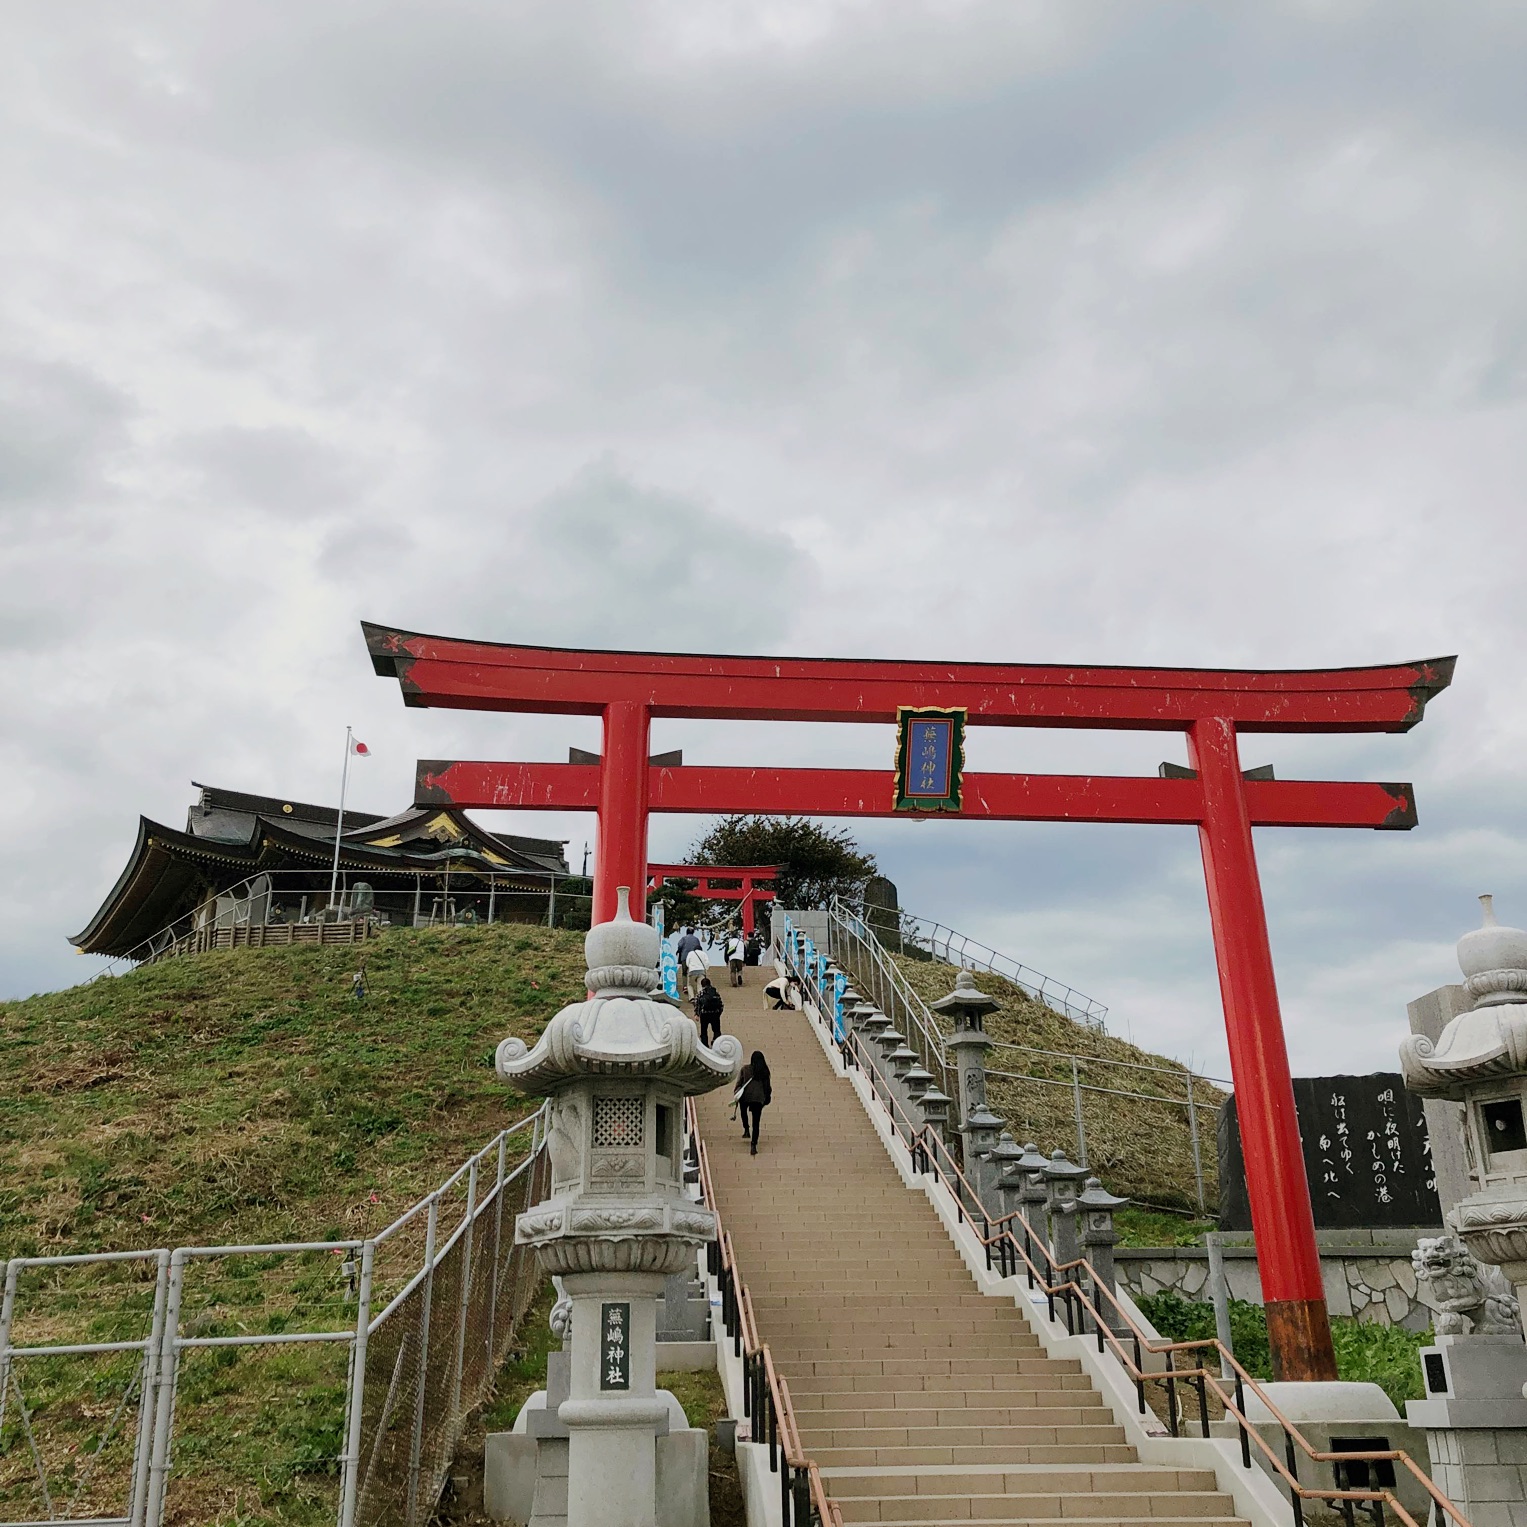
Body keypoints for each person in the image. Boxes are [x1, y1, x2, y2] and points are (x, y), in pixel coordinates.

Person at [736, 1051, 772, 1155]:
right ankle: (753, 1145)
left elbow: (739, 1083)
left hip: (745, 1096)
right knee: (756, 1123)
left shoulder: (745, 1069)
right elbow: (767, 1087)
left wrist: (736, 1093)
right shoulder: (765, 1071)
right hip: (758, 1098)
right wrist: (766, 1098)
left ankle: (746, 1129)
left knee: (743, 1112)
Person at [695, 976, 724, 1046]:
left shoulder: (701, 993)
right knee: (716, 1030)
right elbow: (721, 1004)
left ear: (702, 985)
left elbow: (697, 1004)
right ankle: (716, 1043)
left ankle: (705, 1045)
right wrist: (718, 1013)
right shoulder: (715, 993)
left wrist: (697, 1014)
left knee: (704, 1031)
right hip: (715, 1014)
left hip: (704, 1014)